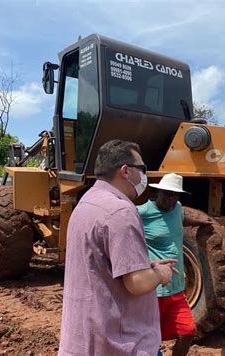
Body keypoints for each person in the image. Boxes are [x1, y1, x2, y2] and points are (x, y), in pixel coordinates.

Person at [59, 140, 176, 356]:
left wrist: (146, 265)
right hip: (121, 344)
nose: (144, 175)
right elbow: (137, 283)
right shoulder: (121, 211)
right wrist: (160, 273)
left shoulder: (86, 203)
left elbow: (100, 263)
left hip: (85, 341)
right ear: (125, 171)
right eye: (142, 169)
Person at [138, 173, 211, 356]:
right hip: (153, 290)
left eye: (175, 195)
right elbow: (120, 225)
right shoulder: (143, 211)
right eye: (167, 194)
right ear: (158, 192)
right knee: (150, 337)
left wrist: (198, 222)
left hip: (177, 289)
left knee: (188, 330)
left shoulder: (176, 208)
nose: (171, 199)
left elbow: (179, 219)